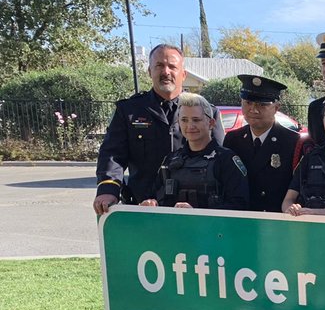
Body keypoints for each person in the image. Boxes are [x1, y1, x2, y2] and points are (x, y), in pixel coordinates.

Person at [94, 44, 223, 213]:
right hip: (143, 207)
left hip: (194, 209)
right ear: (150, 72)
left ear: (183, 74)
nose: (166, 72)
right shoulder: (129, 111)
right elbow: (112, 154)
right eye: (159, 65)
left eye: (172, 66)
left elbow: (220, 158)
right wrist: (108, 189)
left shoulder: (206, 112)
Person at [138, 93, 248, 210]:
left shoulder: (226, 160)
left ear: (211, 123)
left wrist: (196, 213)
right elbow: (154, 195)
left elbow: (239, 205)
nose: (190, 126)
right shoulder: (170, 160)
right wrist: (151, 203)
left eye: (196, 120)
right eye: (184, 120)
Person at [222, 74, 301, 213]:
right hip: (241, 216)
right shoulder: (233, 139)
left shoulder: (292, 141)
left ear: (276, 108)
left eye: (262, 105)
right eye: (248, 103)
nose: (254, 110)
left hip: (274, 218)